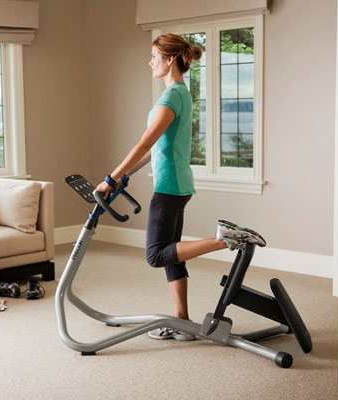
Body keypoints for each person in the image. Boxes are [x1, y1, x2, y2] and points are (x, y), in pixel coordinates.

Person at [94, 34, 266, 341]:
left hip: (170, 186)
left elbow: (144, 142)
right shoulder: (181, 93)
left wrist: (110, 178)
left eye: (154, 56)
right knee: (171, 254)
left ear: (170, 58)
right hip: (177, 183)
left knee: (155, 255)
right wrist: (122, 177)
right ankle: (182, 321)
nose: (150, 62)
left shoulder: (172, 96)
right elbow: (155, 149)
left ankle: (225, 240)